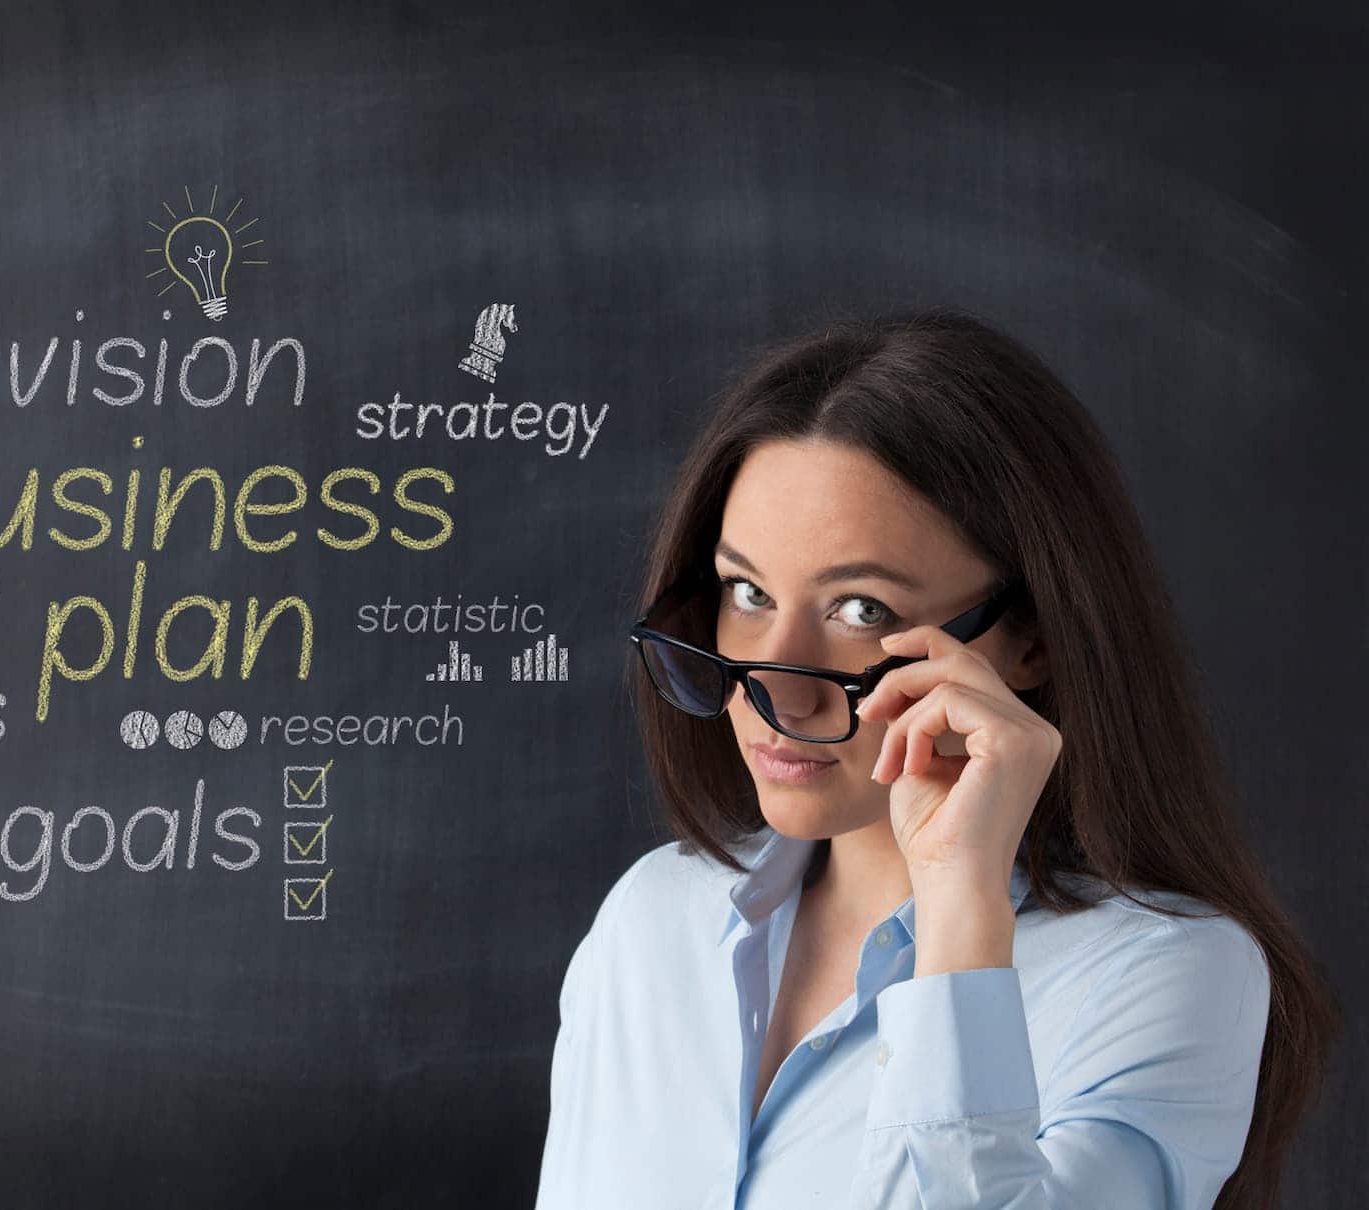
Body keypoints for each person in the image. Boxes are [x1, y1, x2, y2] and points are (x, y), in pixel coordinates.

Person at [533, 308, 1339, 1209]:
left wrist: (959, 906)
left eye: (862, 610)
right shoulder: (651, 924)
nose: (778, 693)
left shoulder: (1167, 974)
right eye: (747, 591)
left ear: (1028, 640)